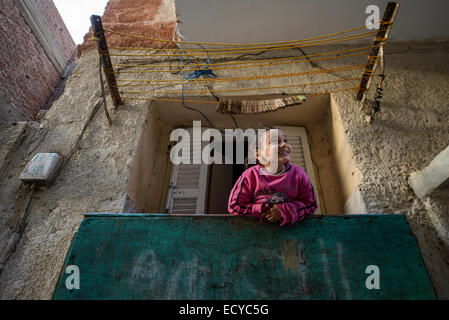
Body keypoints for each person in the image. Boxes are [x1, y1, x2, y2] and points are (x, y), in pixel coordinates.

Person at [228, 128, 317, 226]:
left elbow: (310, 204)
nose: (284, 144)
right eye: (275, 141)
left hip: (292, 234)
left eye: (285, 140)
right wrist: (265, 210)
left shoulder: (298, 174)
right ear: (259, 154)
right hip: (259, 232)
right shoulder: (250, 175)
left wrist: (284, 211)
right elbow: (234, 206)